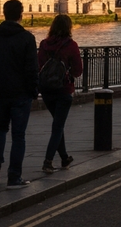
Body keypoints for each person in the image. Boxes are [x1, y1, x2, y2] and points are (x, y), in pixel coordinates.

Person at [0, 0, 37, 188]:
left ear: (3, 13)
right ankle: (14, 176)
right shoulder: (27, 38)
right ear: (21, 14)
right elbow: (31, 69)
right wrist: (33, 91)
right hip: (20, 94)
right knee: (18, 135)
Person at [37, 14, 83, 173]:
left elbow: (39, 66)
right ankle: (48, 161)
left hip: (47, 90)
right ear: (69, 28)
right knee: (58, 126)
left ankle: (64, 158)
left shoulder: (43, 45)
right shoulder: (71, 45)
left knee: (58, 124)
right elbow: (78, 71)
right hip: (64, 90)